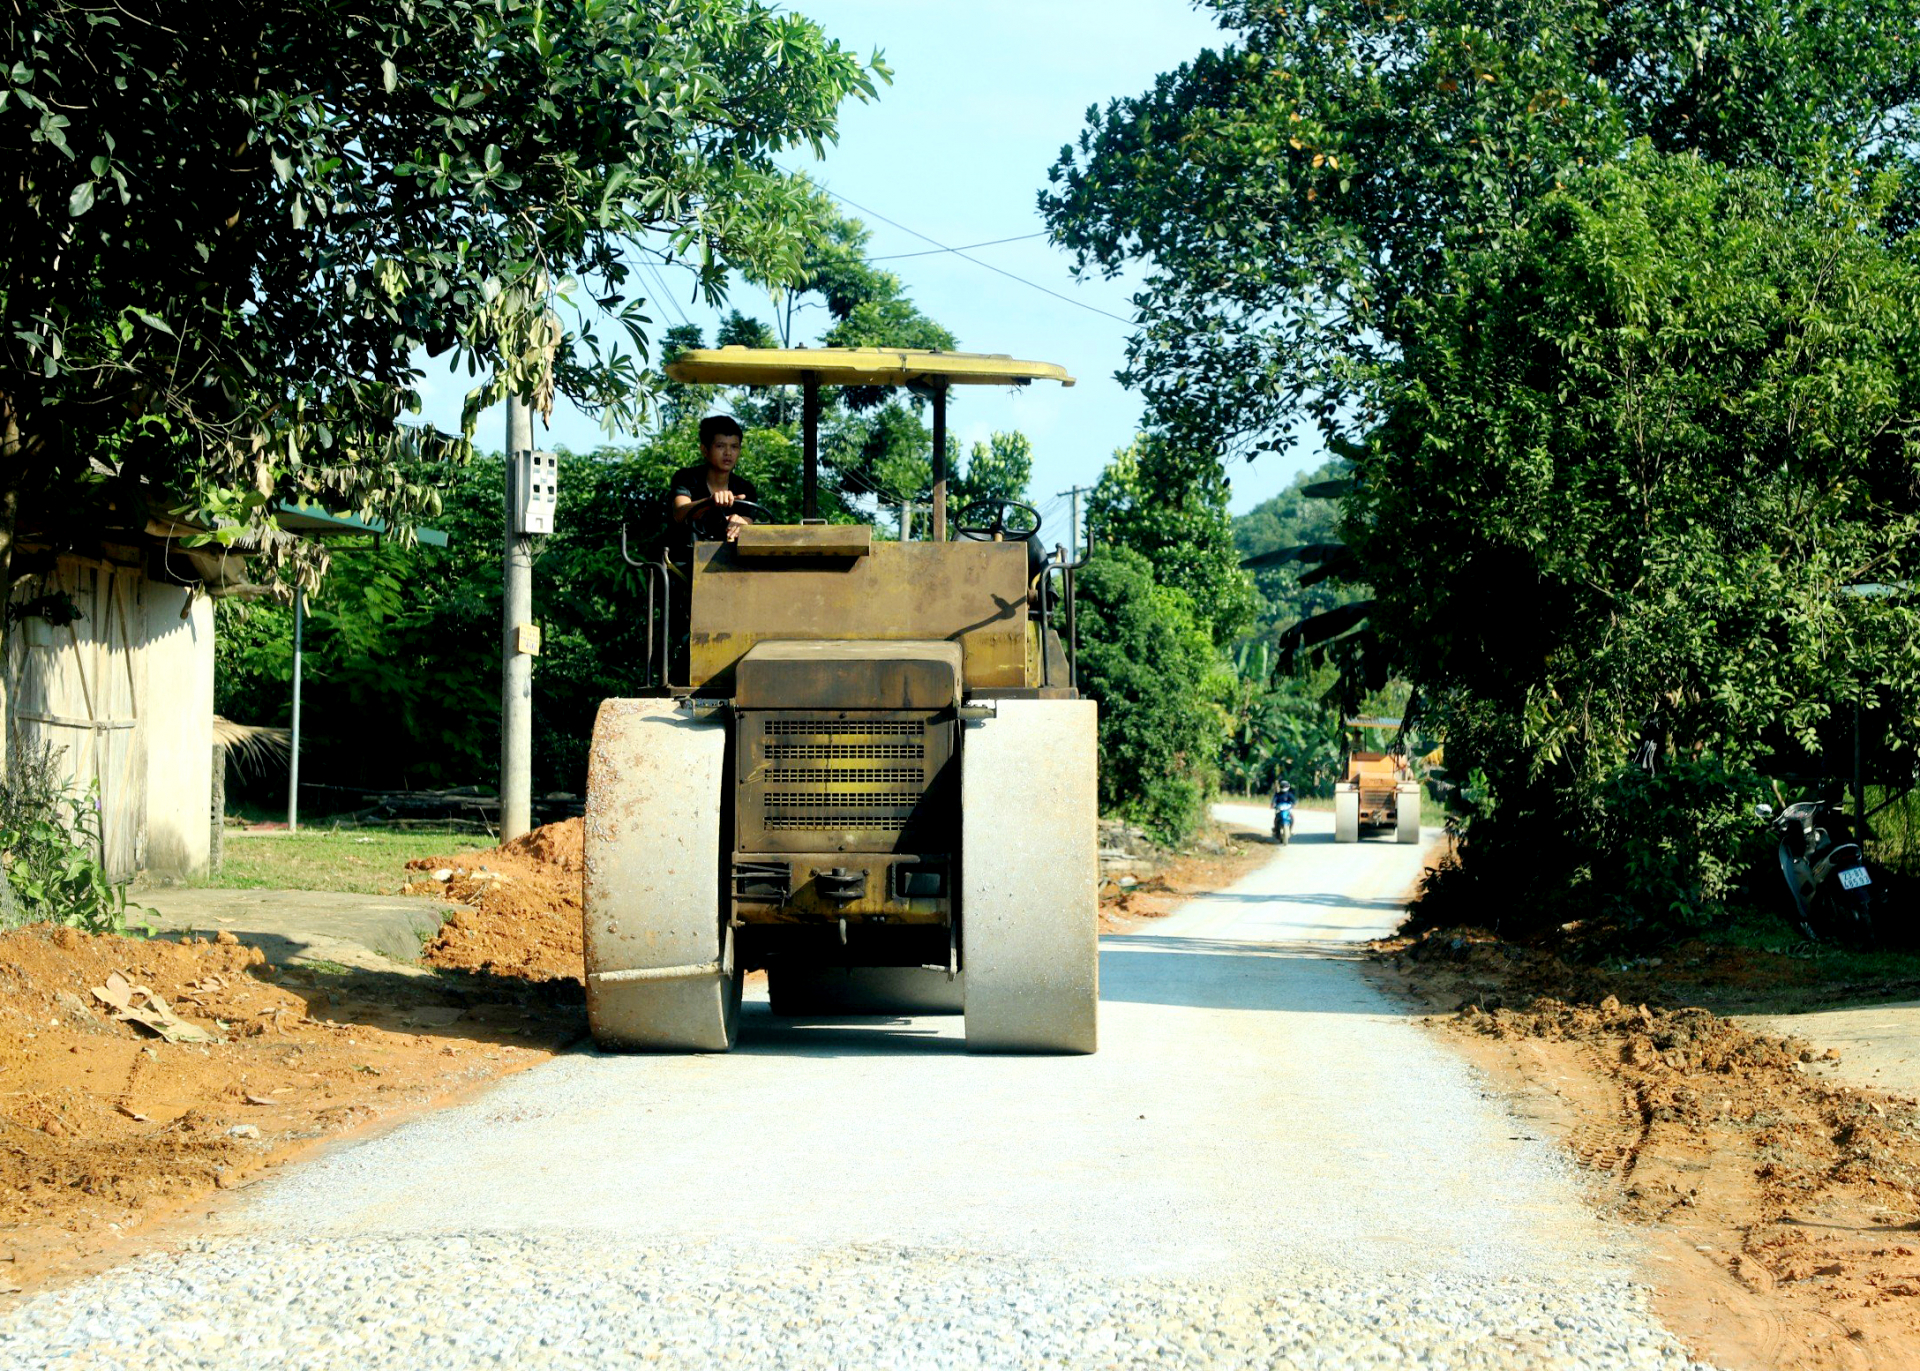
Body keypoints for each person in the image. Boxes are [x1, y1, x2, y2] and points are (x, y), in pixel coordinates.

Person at [669, 415, 758, 551]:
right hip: (686, 562)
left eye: (734, 447)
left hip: (731, 564)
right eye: (720, 446)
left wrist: (741, 523)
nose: (728, 453)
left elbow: (747, 521)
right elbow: (680, 513)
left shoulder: (745, 489)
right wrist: (710, 502)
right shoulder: (686, 478)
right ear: (705, 450)